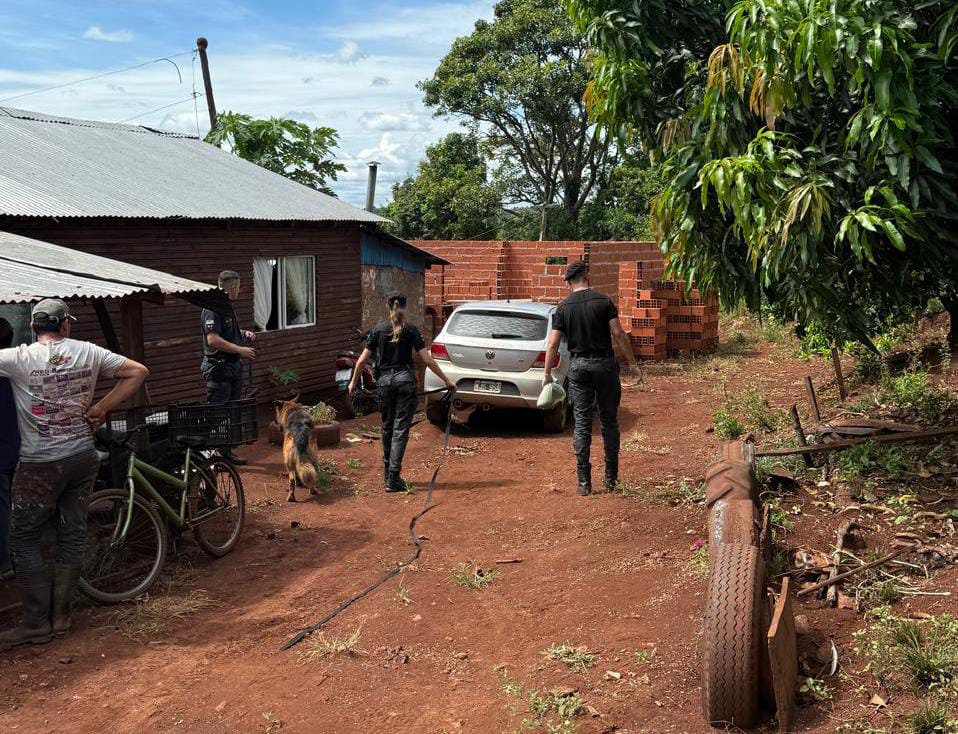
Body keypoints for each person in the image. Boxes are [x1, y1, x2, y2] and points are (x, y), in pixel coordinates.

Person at [0, 299, 148, 650]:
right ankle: (62, 617)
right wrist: (101, 407)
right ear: (65, 325)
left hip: (40, 464)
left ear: (34, 327)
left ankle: (36, 622)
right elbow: (138, 372)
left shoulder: (18, 358)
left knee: (22, 539)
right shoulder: (89, 352)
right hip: (83, 456)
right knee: (73, 533)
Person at [543, 261, 638, 496]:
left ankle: (584, 483)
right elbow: (618, 333)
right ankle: (611, 479)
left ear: (569, 282)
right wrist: (633, 364)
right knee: (609, 421)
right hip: (604, 364)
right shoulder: (603, 302)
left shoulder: (563, 309)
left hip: (578, 367)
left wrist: (546, 374)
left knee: (582, 424)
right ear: (587, 276)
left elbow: (553, 343)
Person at [348, 292, 455, 493]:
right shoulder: (411, 330)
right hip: (405, 381)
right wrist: (447, 381)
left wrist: (353, 383)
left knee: (387, 427)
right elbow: (427, 360)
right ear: (404, 308)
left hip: (384, 383)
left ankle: (389, 474)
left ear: (388, 307)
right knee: (400, 429)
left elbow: (362, 361)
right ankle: (393, 477)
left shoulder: (378, 330)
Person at [201, 270, 256, 465]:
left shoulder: (227, 307)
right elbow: (213, 339)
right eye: (238, 287)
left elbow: (225, 332)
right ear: (233, 287)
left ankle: (226, 454)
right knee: (217, 412)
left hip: (232, 367)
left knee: (231, 411)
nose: (239, 291)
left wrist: (243, 333)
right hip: (218, 368)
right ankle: (205, 458)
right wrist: (240, 350)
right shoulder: (212, 308)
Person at [0, 318, 19, 581]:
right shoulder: (14, 371)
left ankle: (5, 561)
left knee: (3, 506)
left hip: (5, 452)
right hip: (15, 449)